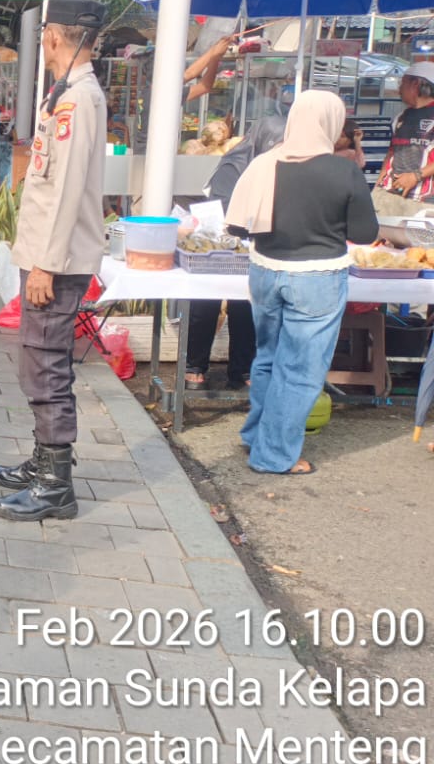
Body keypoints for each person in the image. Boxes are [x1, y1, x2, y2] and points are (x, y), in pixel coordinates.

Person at [0, 0, 109, 523]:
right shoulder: (65, 95)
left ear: (55, 37)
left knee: (46, 367)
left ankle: (56, 483)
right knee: (38, 362)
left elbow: (65, 190)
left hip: (55, 261)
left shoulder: (78, 101)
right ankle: (44, 463)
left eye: (43, 34)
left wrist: (46, 264)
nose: (41, 41)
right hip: (46, 253)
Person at [226, 90, 377, 476]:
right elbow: (364, 232)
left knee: (268, 358)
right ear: (331, 123)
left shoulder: (265, 163)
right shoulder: (343, 171)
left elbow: (237, 224)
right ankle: (273, 455)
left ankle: (256, 435)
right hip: (317, 279)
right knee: (300, 370)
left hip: (264, 272)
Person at [184, 116, 287, 390]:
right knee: (206, 302)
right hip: (219, 242)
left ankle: (242, 368)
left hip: (255, 243)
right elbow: (223, 209)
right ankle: (195, 364)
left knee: (247, 304)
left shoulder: (280, 166)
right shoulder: (234, 164)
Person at [371, 62, 434, 216]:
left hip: (424, 199)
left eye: (402, 83)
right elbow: (392, 152)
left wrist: (416, 176)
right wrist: (379, 184)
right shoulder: (401, 117)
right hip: (391, 194)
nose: (399, 88)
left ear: (416, 84)